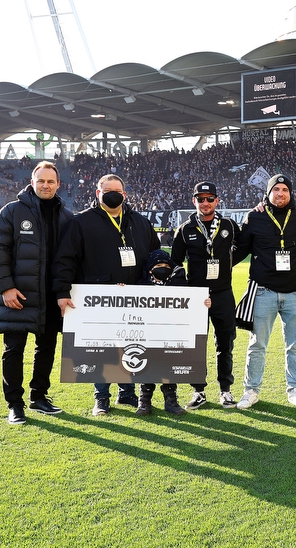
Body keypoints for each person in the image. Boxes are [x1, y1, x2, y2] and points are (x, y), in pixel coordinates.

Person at [53, 174, 160, 416]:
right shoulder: (81, 222)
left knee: (130, 344)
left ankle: (127, 394)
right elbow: (65, 260)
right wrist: (62, 292)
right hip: (98, 300)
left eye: (118, 190)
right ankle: (101, 398)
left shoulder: (140, 222)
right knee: (102, 348)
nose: (113, 194)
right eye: (107, 189)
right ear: (97, 193)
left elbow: (156, 257)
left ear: (125, 194)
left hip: (135, 298)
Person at [0, 161, 74, 425]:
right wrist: (6, 287)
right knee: (14, 349)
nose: (46, 185)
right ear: (32, 182)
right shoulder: (12, 211)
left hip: (51, 296)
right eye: (41, 181)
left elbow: (71, 258)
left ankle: (39, 396)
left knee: (46, 347)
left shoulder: (66, 216)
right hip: (19, 295)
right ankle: (15, 404)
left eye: (51, 181)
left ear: (58, 184)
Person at [233, 174, 296, 409]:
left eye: (284, 190)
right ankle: (251, 390)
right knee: (257, 344)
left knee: (295, 344)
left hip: (294, 294)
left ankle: (295, 389)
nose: (280, 194)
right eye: (276, 190)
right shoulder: (255, 217)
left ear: (290, 194)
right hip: (263, 292)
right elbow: (239, 251)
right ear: (268, 193)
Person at [170, 181, 241, 410]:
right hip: (197, 298)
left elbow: (243, 248)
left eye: (210, 198)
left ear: (217, 201)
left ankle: (225, 390)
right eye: (201, 199)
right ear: (194, 201)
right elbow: (175, 263)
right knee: (196, 345)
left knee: (225, 344)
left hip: (223, 294)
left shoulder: (229, 225)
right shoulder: (185, 229)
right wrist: (189, 291)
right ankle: (198, 391)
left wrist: (226, 266)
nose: (205, 203)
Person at [134, 249, 209, 416]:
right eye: (158, 265)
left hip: (170, 334)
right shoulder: (140, 285)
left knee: (169, 365)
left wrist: (203, 302)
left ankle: (171, 401)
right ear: (150, 269)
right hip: (147, 334)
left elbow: (192, 302)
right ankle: (144, 401)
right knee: (146, 365)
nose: (162, 268)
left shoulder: (179, 284)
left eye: (165, 265)